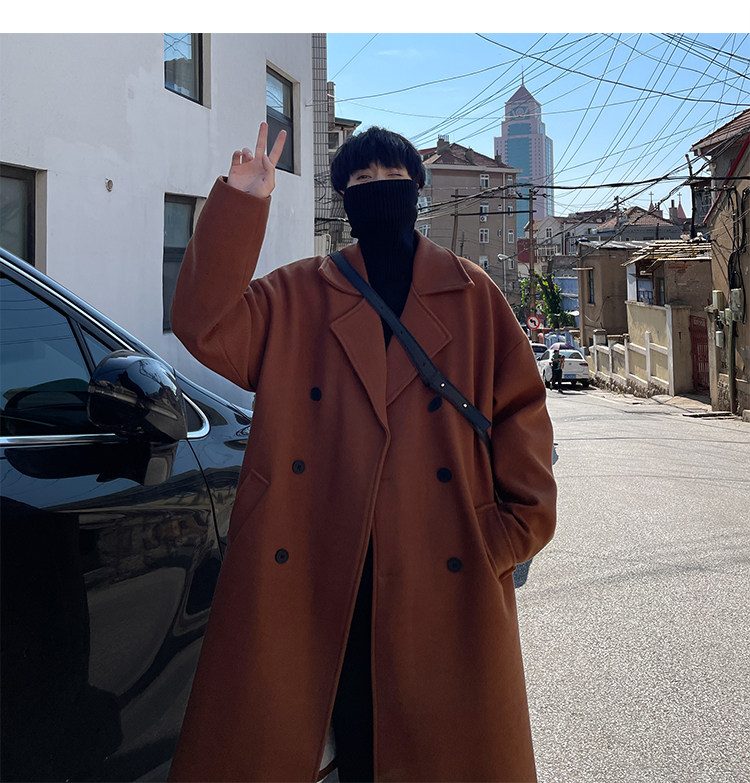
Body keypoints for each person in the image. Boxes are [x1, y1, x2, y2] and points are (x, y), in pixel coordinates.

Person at [167, 122, 557, 783]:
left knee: (439, 748)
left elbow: (523, 411)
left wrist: (512, 530)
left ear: (418, 189)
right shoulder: (297, 294)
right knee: (340, 737)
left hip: (442, 560)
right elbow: (204, 325)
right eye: (362, 179)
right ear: (344, 197)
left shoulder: (473, 295)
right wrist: (240, 203)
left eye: (393, 177)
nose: (379, 188)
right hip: (320, 560)